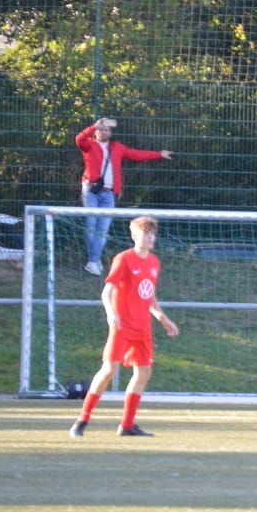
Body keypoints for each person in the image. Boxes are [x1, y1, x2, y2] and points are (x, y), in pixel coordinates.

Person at [69, 216, 179, 438]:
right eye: (145, 233)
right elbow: (107, 292)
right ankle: (82, 419)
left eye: (152, 233)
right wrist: (111, 314)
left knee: (144, 372)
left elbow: (148, 294)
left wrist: (162, 317)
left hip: (143, 328)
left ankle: (127, 425)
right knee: (109, 370)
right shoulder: (124, 259)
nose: (150, 237)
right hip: (123, 326)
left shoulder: (154, 262)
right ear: (134, 235)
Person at [75, 117, 173, 276]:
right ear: (96, 132)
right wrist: (93, 126)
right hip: (91, 190)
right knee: (91, 225)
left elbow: (136, 154)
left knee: (103, 228)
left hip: (108, 193)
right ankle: (94, 260)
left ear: (111, 133)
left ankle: (93, 261)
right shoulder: (89, 145)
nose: (104, 132)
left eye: (107, 130)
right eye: (101, 129)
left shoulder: (117, 147)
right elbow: (79, 139)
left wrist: (159, 154)